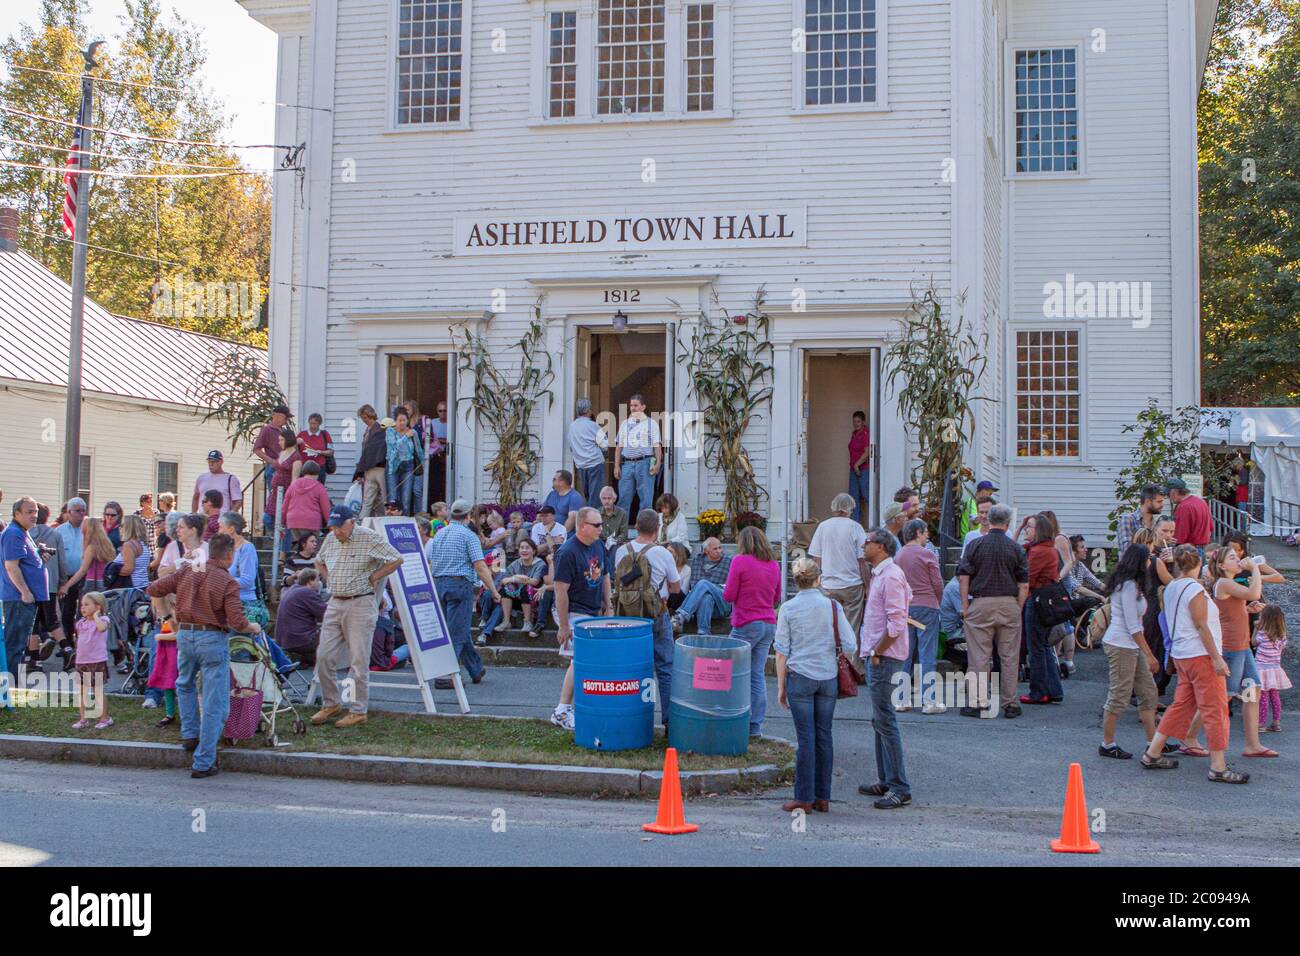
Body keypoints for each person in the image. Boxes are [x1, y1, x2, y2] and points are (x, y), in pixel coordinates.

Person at [146, 533, 263, 777]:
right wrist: (252, 627)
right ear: (229, 555)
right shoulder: (227, 581)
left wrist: (169, 616)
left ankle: (190, 735)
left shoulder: (189, 570)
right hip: (212, 638)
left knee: (185, 684)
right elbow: (236, 620)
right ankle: (203, 761)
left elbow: (154, 588)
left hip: (185, 635)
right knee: (214, 700)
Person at [1141, 546, 1248, 783]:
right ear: (1198, 562)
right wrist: (1217, 658)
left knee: (1182, 705)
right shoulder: (1195, 589)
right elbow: (1202, 626)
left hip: (1183, 653)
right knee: (1215, 708)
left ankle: (1153, 751)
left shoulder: (1171, 588)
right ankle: (1218, 766)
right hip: (1201, 655)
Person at [775, 557, 857, 813]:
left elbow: (781, 651)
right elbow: (851, 644)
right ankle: (823, 795)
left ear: (795, 580)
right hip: (827, 676)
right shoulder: (832, 607)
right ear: (818, 578)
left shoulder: (788, 608)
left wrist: (781, 686)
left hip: (800, 675)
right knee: (824, 736)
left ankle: (804, 796)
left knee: (805, 738)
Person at [313, 506, 403, 727]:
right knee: (324, 655)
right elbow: (319, 560)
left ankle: (357, 709)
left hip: (360, 602)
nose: (335, 531)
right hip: (336, 600)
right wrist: (328, 579)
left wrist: (375, 576)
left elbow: (396, 559)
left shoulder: (369, 537)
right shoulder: (331, 539)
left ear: (351, 522)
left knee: (358, 660)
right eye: (332, 526)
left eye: (339, 526)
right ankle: (331, 702)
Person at [858, 528, 913, 809]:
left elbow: (896, 622)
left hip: (885, 656)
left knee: (886, 720)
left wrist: (878, 651)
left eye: (867, 542)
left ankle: (899, 786)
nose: (863, 545)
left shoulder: (890, 575)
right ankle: (886, 779)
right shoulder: (885, 574)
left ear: (881, 547)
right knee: (879, 720)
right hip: (878, 653)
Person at [957, 503, 1028, 718]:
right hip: (1009, 603)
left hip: (981, 602)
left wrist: (966, 605)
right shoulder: (1016, 548)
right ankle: (1010, 703)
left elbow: (963, 577)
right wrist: (1018, 606)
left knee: (979, 656)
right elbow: (1023, 584)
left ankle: (978, 702)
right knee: (1009, 656)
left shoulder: (975, 545)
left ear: (989, 520)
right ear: (1007, 524)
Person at [613, 510, 681, 730]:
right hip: (655, 613)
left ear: (636, 527)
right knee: (665, 666)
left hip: (627, 616)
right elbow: (676, 587)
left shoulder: (622, 550)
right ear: (657, 529)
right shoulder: (663, 553)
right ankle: (669, 720)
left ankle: (635, 719)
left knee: (632, 669)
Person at [1205, 548, 1276, 758]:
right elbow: (1253, 593)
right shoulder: (1224, 582)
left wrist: (1247, 610)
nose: (1238, 560)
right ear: (1221, 565)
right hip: (1232, 648)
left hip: (1242, 647)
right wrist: (1254, 567)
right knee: (1222, 697)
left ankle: (1252, 744)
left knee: (1253, 691)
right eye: (1232, 558)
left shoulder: (1230, 584)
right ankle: (1189, 737)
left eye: (1238, 556)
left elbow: (1230, 611)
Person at [549, 507, 612, 730]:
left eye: (602, 524)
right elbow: (560, 591)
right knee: (579, 659)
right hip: (574, 610)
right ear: (582, 526)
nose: (601, 528)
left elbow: (604, 575)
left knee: (586, 662)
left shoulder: (598, 545)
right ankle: (562, 710)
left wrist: (608, 604)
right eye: (597, 525)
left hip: (593, 610)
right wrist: (564, 626)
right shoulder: (567, 552)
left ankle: (574, 709)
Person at [1098, 544, 1163, 759]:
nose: (1150, 562)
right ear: (1139, 561)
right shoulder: (1127, 587)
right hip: (1121, 644)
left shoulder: (1132, 585)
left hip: (1131, 645)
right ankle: (1107, 744)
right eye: (1147, 559)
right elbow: (1132, 625)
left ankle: (1152, 742)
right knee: (1119, 695)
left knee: (1148, 692)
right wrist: (1149, 654)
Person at [425, 499, 498, 689]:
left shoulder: (440, 534)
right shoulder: (469, 536)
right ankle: (444, 676)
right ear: (468, 516)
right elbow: (480, 566)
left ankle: (475, 668)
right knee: (457, 632)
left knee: (459, 628)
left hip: (439, 583)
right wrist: (494, 590)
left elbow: (432, 561)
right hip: (459, 584)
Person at [723, 526, 782, 738]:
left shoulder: (739, 561)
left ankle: (728, 718)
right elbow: (777, 598)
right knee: (756, 676)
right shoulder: (774, 565)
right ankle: (755, 726)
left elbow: (729, 595)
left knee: (728, 671)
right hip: (768, 623)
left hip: (746, 622)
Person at [896, 518, 945, 713]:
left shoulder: (898, 556)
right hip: (927, 606)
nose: (927, 536)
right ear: (918, 532)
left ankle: (902, 699)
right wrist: (939, 602)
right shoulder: (928, 554)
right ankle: (929, 700)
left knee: (905, 654)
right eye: (925, 532)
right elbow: (938, 583)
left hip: (906, 607)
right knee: (927, 655)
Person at [3, 497, 48, 692]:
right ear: (17, 514)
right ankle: (11, 687)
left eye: (35, 511)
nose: (34, 515)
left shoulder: (22, 532)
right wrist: (25, 592)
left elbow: (25, 561)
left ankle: (14, 684)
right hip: (18, 598)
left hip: (24, 598)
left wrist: (39, 555)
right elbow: (11, 566)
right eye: (29, 511)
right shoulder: (14, 533)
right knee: (15, 644)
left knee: (20, 643)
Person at [1021, 512, 1066, 706]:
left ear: (1038, 530)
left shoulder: (1039, 552)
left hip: (1037, 600)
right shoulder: (1046, 549)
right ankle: (1054, 689)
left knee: (1036, 648)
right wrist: (1019, 526)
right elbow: (1015, 547)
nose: (1026, 529)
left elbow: (1026, 578)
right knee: (1044, 645)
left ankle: (1038, 692)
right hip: (1044, 600)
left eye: (1029, 526)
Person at [480, 537, 546, 641]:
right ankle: (506, 621)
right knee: (505, 589)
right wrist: (515, 578)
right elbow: (503, 580)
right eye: (521, 548)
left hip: (533, 597)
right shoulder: (516, 563)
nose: (524, 550)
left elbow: (535, 582)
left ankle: (527, 621)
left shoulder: (539, 563)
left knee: (525, 588)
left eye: (527, 548)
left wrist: (518, 579)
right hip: (516, 597)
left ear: (533, 551)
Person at [29, 503, 69, 671]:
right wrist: (62, 581)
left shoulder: (27, 534)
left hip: (30, 584)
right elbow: (61, 560)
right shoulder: (55, 534)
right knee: (51, 619)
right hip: (50, 583)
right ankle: (67, 649)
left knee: (33, 622)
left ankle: (35, 660)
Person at [673, 536, 733, 635]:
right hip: (705, 605)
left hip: (723, 602)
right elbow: (694, 584)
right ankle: (703, 632)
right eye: (715, 549)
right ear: (706, 551)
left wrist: (709, 586)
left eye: (720, 547)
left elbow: (730, 586)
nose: (719, 551)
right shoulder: (697, 560)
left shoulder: (728, 561)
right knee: (706, 597)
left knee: (703, 583)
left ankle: (682, 615)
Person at [70, 590, 112, 729]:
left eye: (87, 605)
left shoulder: (103, 620)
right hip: (81, 661)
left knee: (97, 690)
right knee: (82, 691)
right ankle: (83, 719)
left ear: (98, 606)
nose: (83, 608)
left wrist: (96, 616)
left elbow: (101, 629)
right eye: (82, 605)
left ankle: (105, 718)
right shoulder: (80, 623)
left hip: (97, 661)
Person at [614, 393, 662, 517]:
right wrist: (616, 466)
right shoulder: (625, 423)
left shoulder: (652, 424)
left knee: (646, 500)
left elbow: (657, 446)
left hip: (645, 463)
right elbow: (619, 446)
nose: (633, 408)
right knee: (623, 498)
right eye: (631, 405)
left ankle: (644, 532)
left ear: (643, 407)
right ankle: (621, 533)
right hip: (627, 464)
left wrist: (658, 464)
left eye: (636, 405)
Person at [276, 568, 327, 668]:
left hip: (285, 639)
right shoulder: (307, 593)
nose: (319, 583)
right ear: (310, 581)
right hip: (300, 641)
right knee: (334, 631)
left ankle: (305, 659)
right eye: (317, 580)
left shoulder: (294, 588)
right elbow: (326, 614)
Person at [53, 497, 87, 641]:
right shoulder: (59, 531)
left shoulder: (88, 529)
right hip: (65, 576)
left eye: (83, 510)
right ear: (69, 512)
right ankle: (67, 641)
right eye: (77, 511)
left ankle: (84, 640)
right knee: (67, 610)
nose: (81, 513)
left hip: (84, 575)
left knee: (85, 609)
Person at [58, 518, 116, 599]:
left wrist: (66, 586)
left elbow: (83, 570)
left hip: (92, 583)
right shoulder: (107, 545)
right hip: (104, 583)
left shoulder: (92, 547)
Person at [1254, 605, 1289, 733]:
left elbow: (1253, 642)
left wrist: (1255, 629)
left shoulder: (1262, 634)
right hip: (1275, 669)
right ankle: (1276, 723)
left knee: (1262, 697)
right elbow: (1281, 648)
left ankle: (1261, 724)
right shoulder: (1282, 635)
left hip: (1262, 669)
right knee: (1275, 697)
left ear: (1265, 619)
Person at [384, 406, 424, 516]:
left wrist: (422, 463)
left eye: (404, 420)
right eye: (399, 420)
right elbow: (394, 449)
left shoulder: (413, 432)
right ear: (395, 421)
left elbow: (418, 450)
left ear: (407, 420)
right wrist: (405, 437)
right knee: (393, 499)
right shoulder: (390, 431)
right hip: (393, 467)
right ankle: (392, 524)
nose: (401, 423)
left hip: (408, 466)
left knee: (406, 499)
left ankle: (405, 523)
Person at [569, 398, 609, 508]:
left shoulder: (572, 426)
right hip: (595, 463)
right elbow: (605, 445)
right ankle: (594, 519)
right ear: (588, 411)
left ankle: (588, 516)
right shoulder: (593, 425)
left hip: (581, 465)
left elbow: (571, 446)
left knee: (586, 493)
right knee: (596, 495)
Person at [282, 460, 332, 544]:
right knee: (310, 549)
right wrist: (331, 525)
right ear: (317, 473)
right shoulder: (319, 487)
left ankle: (297, 556)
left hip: (293, 521)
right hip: (311, 522)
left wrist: (282, 522)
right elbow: (326, 509)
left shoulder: (293, 485)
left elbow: (285, 506)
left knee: (300, 547)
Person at [352, 404, 388, 519]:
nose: (363, 420)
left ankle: (364, 525)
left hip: (378, 468)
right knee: (377, 501)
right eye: (362, 418)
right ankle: (367, 526)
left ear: (371, 416)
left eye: (365, 418)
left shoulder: (379, 430)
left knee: (377, 501)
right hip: (372, 469)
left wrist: (361, 469)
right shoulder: (371, 430)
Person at [266, 426, 305, 531]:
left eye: (282, 440)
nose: (279, 442)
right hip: (275, 493)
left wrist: (290, 497)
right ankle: (277, 537)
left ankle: (284, 544)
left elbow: (294, 480)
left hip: (285, 493)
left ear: (288, 440)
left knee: (284, 523)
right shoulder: (281, 453)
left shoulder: (296, 457)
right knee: (267, 519)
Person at [253, 403, 294, 491]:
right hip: (274, 468)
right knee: (275, 496)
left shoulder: (284, 431)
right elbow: (257, 449)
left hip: (286, 467)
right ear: (277, 416)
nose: (286, 421)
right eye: (285, 418)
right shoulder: (267, 429)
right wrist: (271, 461)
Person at [1115, 484, 1166, 554]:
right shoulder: (1128, 520)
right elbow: (1128, 550)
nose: (1162, 505)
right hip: (1132, 564)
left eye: (1162, 501)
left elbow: (1160, 550)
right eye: (1159, 501)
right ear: (1147, 501)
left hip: (1153, 564)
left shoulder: (1159, 521)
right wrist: (1156, 544)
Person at [1167, 478, 1211, 557]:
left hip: (1188, 551)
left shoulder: (1183, 507)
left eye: (1168, 494)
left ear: (1174, 493)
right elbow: (1210, 528)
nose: (1168, 497)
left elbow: (1180, 536)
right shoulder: (1202, 502)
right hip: (1202, 549)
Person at [191, 450, 243, 515]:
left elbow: (238, 501)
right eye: (209, 462)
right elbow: (196, 497)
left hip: (221, 519)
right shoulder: (201, 478)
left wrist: (229, 517)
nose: (211, 464)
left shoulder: (230, 479)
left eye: (214, 462)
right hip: (203, 519)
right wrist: (193, 515)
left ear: (221, 462)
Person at [116, 515, 153, 591]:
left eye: (122, 525)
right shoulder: (143, 544)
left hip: (131, 589)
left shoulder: (128, 545)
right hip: (143, 586)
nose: (119, 528)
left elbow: (129, 569)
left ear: (129, 528)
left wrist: (111, 570)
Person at [847, 410, 871, 524]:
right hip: (853, 470)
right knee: (853, 499)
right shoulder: (854, 434)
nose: (856, 424)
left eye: (858, 421)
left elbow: (867, 452)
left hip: (863, 469)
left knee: (867, 495)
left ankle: (875, 521)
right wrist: (854, 466)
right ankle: (855, 524)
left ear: (863, 422)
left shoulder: (866, 434)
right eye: (854, 421)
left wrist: (857, 464)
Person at [296, 412, 335, 483]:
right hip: (304, 467)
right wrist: (296, 443)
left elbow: (331, 451)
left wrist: (321, 452)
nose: (312, 426)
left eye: (315, 424)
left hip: (319, 467)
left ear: (319, 424)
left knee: (318, 488)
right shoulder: (302, 434)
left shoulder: (325, 434)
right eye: (311, 423)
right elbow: (293, 450)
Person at [596, 486, 628, 553]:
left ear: (614, 499)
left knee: (615, 549)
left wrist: (614, 541)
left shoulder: (622, 513)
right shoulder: (596, 513)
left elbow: (624, 534)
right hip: (600, 544)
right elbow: (595, 533)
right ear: (600, 500)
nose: (606, 501)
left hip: (616, 544)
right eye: (604, 498)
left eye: (609, 498)